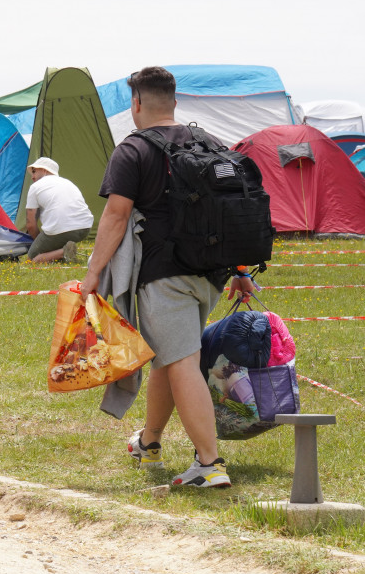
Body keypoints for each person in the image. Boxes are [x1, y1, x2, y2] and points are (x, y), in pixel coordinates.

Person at [80, 66, 254, 489]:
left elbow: (117, 215)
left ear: (136, 104)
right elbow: (235, 212)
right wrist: (243, 271)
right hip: (209, 275)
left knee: (180, 363)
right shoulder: (209, 142)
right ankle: (149, 442)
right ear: (174, 102)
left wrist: (92, 273)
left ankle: (209, 465)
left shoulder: (133, 149)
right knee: (172, 357)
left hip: (164, 275)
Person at [23, 157, 93, 263]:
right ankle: (61, 253)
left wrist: (39, 244)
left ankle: (63, 252)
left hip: (61, 230)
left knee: (33, 258)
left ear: (45, 170)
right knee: (53, 244)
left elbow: (30, 224)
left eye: (34, 171)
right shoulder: (68, 182)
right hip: (85, 228)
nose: (32, 177)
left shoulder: (35, 187)